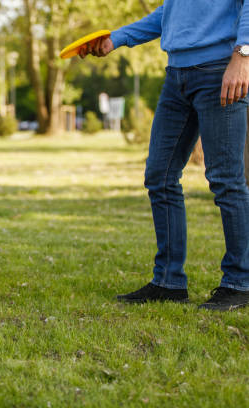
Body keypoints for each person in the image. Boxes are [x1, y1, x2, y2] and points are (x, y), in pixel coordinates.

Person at [81, 1, 249, 310]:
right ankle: (169, 282)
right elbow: (170, 13)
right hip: (177, 76)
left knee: (226, 180)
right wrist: (116, 38)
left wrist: (243, 55)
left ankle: (240, 283)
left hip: (219, 69)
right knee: (160, 175)